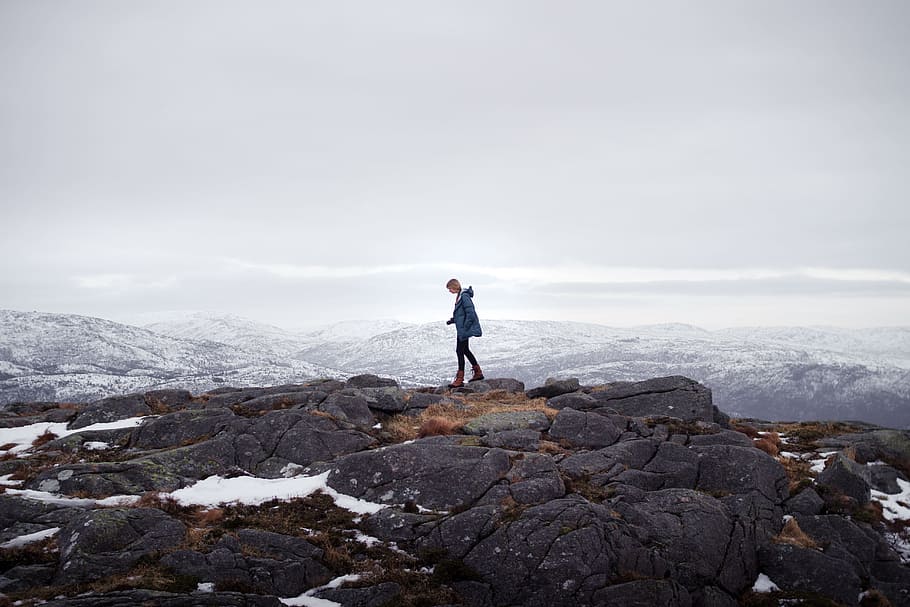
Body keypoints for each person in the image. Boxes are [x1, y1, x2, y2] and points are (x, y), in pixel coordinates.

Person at [445, 278, 484, 388]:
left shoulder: (464, 296)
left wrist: (465, 326)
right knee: (465, 349)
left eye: (450, 288)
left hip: (464, 329)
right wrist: (453, 320)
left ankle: (460, 378)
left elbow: (470, 312)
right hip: (462, 328)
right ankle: (478, 372)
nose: (449, 291)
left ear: (454, 286)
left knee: (459, 350)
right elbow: (462, 313)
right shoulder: (460, 296)